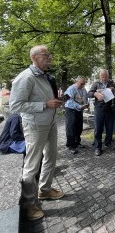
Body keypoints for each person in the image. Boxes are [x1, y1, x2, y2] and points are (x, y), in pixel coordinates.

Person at [9, 45, 64, 221]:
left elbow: (43, 98)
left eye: (49, 54)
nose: (50, 58)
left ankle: (45, 190)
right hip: (35, 126)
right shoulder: (25, 78)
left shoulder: (45, 76)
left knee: (51, 157)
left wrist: (54, 101)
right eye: (46, 55)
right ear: (34, 57)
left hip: (50, 122)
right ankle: (29, 205)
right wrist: (45, 105)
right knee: (32, 165)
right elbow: (15, 106)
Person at [88, 69, 115, 156]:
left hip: (110, 108)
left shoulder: (112, 83)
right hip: (100, 108)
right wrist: (95, 94)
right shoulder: (96, 83)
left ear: (108, 76)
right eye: (102, 76)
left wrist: (114, 90)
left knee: (110, 128)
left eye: (106, 76)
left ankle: (108, 143)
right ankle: (98, 147)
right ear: (100, 76)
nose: (104, 78)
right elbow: (89, 93)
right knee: (98, 128)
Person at [64, 76, 89, 154]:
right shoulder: (71, 89)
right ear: (76, 82)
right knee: (71, 127)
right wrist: (80, 106)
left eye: (84, 84)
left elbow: (85, 98)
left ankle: (77, 142)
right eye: (81, 84)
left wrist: (86, 104)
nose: (83, 85)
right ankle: (70, 145)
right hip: (71, 110)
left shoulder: (83, 89)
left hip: (79, 110)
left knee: (79, 127)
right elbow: (69, 101)